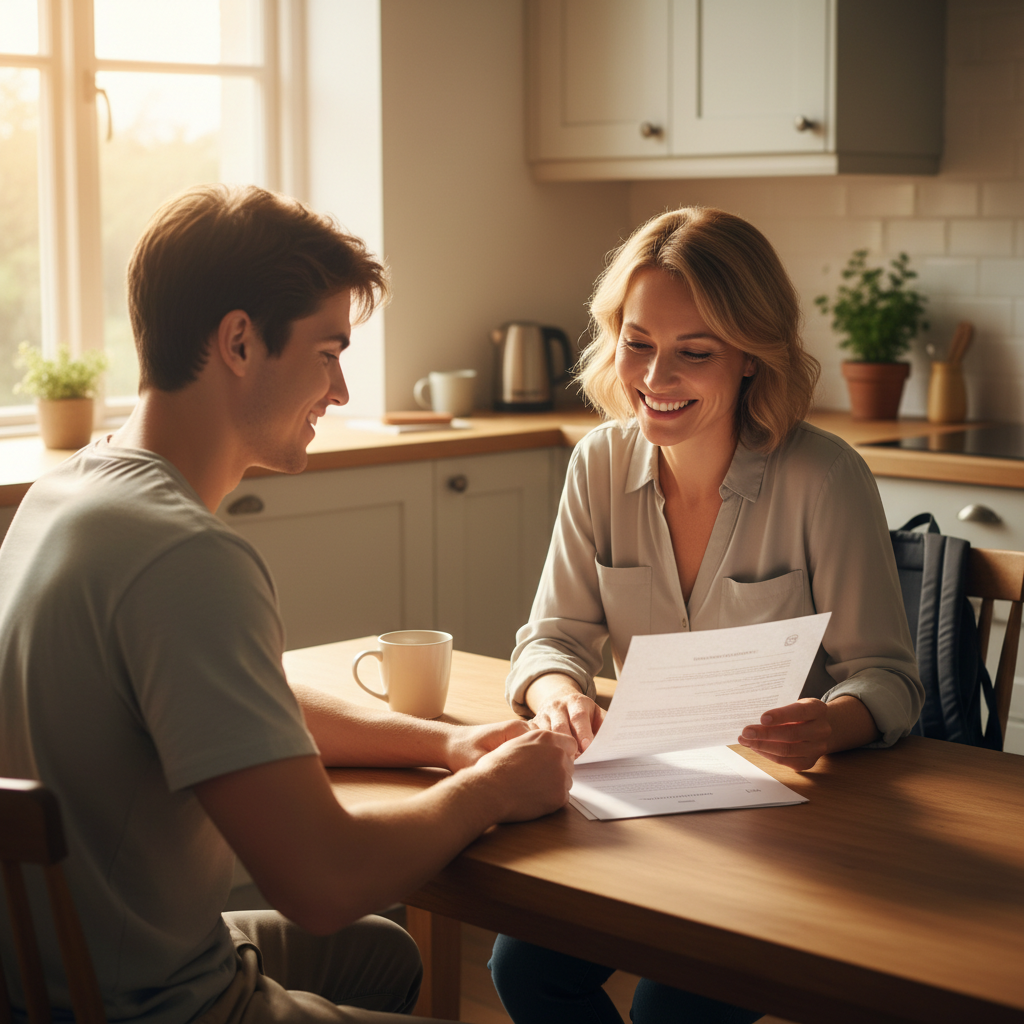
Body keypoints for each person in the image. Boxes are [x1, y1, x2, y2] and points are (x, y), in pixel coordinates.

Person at [0, 184, 575, 1024]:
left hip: (50, 975)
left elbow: (238, 703)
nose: (339, 390)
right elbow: (324, 883)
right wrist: (491, 791)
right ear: (239, 341)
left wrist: (447, 745)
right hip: (154, 1005)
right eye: (328, 351)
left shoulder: (63, 496)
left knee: (385, 954)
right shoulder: (185, 557)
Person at [488, 207, 924, 1024]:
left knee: (672, 1009)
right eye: (638, 342)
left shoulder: (824, 478)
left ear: (752, 358)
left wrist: (830, 724)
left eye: (695, 352)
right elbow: (551, 640)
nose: (655, 377)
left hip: (793, 813)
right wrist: (560, 695)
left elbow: (888, 678)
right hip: (647, 803)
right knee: (524, 969)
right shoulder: (596, 464)